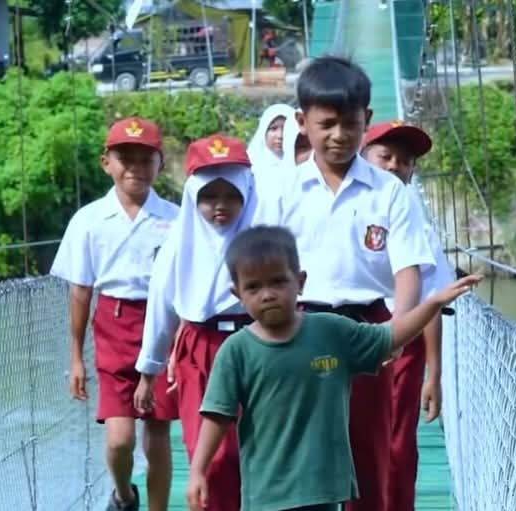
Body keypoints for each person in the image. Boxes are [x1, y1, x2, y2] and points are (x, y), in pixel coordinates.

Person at [185, 226, 482, 511]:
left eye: (278, 281)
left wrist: (434, 302)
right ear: (237, 294)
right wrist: (198, 471)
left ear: (300, 282)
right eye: (253, 287)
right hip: (268, 491)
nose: (267, 294)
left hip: (322, 486)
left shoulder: (331, 332)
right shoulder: (236, 351)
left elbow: (391, 335)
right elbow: (217, 415)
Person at [262, 55, 437, 511]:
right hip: (298, 330)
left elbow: (408, 271)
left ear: (367, 122)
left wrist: (395, 331)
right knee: (297, 456)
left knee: (368, 456)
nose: (339, 135)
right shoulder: (282, 190)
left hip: (366, 330)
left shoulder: (389, 191)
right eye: (327, 124)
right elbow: (261, 269)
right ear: (302, 123)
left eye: (350, 124)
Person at [50, 117, 179, 511]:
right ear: (107, 162)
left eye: (146, 158)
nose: (136, 168)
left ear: (160, 163)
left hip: (162, 325)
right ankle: (124, 495)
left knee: (156, 431)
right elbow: (80, 290)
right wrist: (75, 357)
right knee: (119, 437)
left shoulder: (177, 218)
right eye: (126, 158)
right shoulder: (88, 220)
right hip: (113, 324)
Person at [134, 135, 260, 511]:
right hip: (201, 352)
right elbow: (161, 310)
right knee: (211, 458)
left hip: (259, 347)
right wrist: (148, 373)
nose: (220, 206)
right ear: (193, 198)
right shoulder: (178, 245)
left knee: (260, 455)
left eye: (232, 195)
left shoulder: (265, 239)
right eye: (209, 197)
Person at [362, 119, 455, 511]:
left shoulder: (419, 224)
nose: (395, 166)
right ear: (363, 157)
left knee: (398, 442)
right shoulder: (344, 207)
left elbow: (431, 301)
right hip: (351, 333)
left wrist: (434, 375)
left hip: (403, 344)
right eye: (385, 156)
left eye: (405, 161)